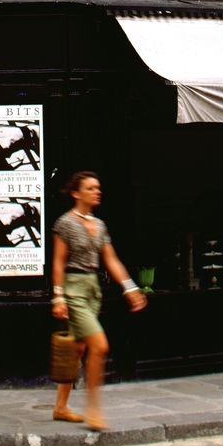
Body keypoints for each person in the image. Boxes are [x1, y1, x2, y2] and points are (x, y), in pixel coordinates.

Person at [51, 171, 147, 430]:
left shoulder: (100, 225)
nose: (97, 192)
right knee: (100, 346)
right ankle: (94, 410)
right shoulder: (65, 223)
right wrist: (58, 297)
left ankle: (60, 407)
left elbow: (110, 259)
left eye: (98, 188)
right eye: (91, 188)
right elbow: (58, 262)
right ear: (76, 193)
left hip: (93, 289)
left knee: (78, 348)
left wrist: (130, 288)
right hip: (73, 288)